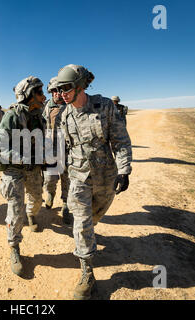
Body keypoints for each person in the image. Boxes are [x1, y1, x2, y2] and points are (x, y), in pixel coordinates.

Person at [58, 64, 132, 299]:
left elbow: (120, 140)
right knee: (81, 221)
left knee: (95, 216)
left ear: (80, 86)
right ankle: (87, 272)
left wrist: (124, 170)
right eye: (60, 90)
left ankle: (90, 231)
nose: (62, 94)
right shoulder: (64, 115)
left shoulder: (105, 107)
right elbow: (65, 149)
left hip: (105, 176)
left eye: (67, 88)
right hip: (78, 176)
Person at [0, 76, 46, 277]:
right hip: (14, 168)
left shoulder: (39, 116)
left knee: (37, 199)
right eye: (39, 92)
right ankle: (14, 247)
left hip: (33, 167)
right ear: (28, 96)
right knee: (15, 208)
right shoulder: (12, 116)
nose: (43, 96)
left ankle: (32, 214)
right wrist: (22, 159)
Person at [42, 77, 71, 225]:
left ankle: (66, 204)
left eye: (60, 90)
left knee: (67, 178)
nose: (57, 94)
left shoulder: (71, 105)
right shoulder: (46, 106)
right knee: (49, 179)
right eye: (54, 91)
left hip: (68, 149)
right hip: (51, 149)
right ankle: (51, 194)